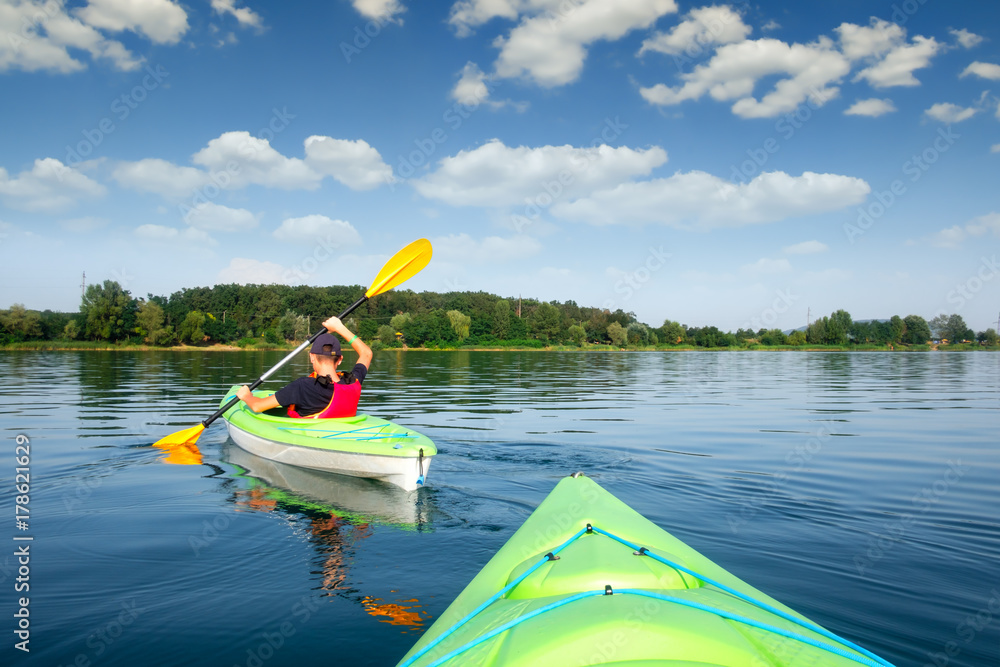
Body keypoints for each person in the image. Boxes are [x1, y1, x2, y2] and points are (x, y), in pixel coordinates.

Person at [236, 316, 372, 418]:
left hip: (314, 438)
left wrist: (246, 396)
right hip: (343, 434)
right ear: (340, 359)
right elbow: (366, 353)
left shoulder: (302, 386)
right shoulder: (353, 382)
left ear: (312, 356)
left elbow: (257, 406)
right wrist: (339, 328)